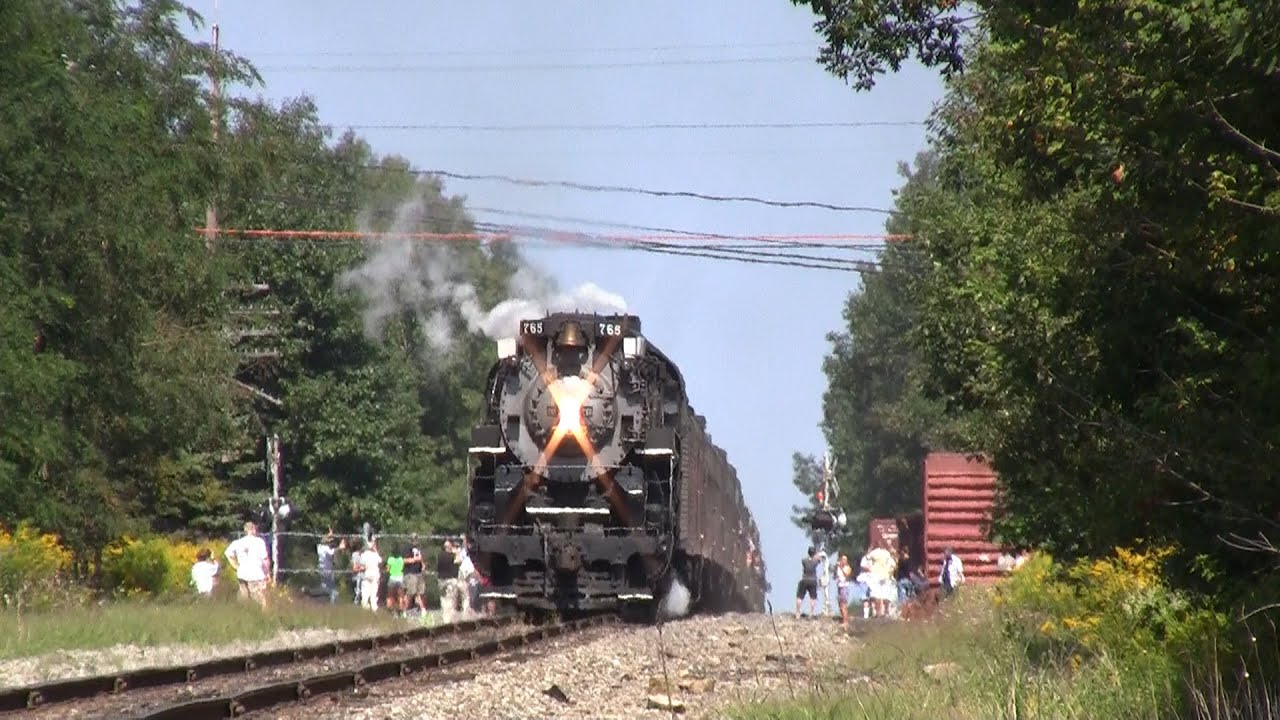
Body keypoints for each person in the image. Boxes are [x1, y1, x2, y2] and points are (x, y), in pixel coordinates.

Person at [224, 521, 270, 608]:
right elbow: (265, 559)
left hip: (242, 573)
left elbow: (228, 554)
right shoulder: (259, 542)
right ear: (253, 529)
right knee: (260, 599)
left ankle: (244, 614)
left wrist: (235, 565)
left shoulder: (237, 542)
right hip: (256, 574)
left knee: (244, 597)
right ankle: (263, 616)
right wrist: (267, 573)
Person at [317, 530, 346, 604]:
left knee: (324, 586)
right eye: (330, 540)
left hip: (322, 569)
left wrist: (329, 535)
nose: (331, 542)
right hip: (326, 570)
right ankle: (332, 603)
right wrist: (340, 547)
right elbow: (332, 552)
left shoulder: (319, 546)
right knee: (332, 590)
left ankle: (321, 601)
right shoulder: (324, 548)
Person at [437, 539, 462, 623]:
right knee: (451, 600)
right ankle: (450, 620)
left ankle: (445, 618)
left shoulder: (440, 556)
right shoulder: (453, 556)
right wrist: (457, 552)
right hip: (451, 580)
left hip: (441, 580)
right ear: (450, 547)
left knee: (443, 600)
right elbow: (459, 561)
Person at [355, 538, 383, 612]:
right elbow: (380, 561)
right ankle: (374, 610)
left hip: (367, 575)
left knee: (365, 594)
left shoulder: (364, 554)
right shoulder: (375, 554)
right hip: (375, 575)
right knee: (374, 595)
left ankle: (365, 609)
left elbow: (361, 564)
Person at [403, 534, 426, 617]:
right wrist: (414, 560)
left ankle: (423, 610)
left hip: (418, 573)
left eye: (416, 539)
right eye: (413, 539)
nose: (415, 540)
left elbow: (421, 558)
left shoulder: (418, 548)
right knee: (410, 593)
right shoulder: (406, 548)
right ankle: (404, 610)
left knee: (420, 592)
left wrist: (422, 564)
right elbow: (404, 560)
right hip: (410, 573)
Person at [794, 546, 821, 619]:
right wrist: (817, 554)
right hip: (813, 580)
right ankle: (811, 614)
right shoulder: (815, 562)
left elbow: (805, 560)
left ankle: (798, 613)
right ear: (814, 553)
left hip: (805, 579)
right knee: (813, 598)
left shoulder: (804, 560)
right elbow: (819, 558)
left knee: (799, 597)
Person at [385, 549, 405, 615]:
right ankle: (401, 610)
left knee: (390, 595)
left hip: (392, 577)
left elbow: (388, 570)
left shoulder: (390, 559)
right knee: (400, 595)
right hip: (400, 578)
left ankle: (390, 610)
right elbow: (402, 568)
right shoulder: (401, 559)